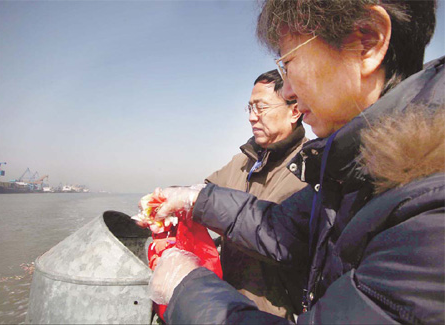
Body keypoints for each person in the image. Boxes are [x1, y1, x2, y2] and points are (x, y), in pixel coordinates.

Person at [149, 0, 444, 324]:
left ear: (367, 42)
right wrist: (195, 199)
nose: (288, 89)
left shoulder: (429, 212)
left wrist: (186, 288)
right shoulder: (356, 172)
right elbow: (280, 227)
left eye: (289, 64)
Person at [206, 69, 307, 319]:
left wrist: (199, 201)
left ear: (294, 111)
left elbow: (282, 240)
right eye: (249, 108)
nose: (252, 118)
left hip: (274, 314)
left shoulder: (308, 169)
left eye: (261, 108)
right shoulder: (242, 161)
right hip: (229, 306)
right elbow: (204, 191)